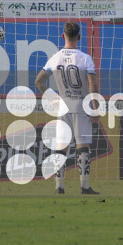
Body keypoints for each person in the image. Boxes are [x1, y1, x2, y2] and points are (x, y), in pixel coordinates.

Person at [34, 21, 101, 195]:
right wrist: (96, 107)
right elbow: (93, 84)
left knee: (61, 145)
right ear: (79, 37)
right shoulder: (85, 58)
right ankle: (84, 186)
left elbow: (39, 81)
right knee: (83, 145)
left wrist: (53, 99)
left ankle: (59, 186)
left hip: (63, 104)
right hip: (81, 104)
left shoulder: (55, 58)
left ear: (63, 36)